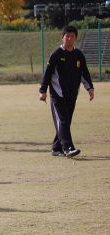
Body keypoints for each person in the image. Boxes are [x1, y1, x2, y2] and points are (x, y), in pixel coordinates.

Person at [39, 25, 94, 158]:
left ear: (76, 38)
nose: (69, 38)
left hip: (72, 94)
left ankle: (56, 147)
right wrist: (43, 91)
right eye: (67, 36)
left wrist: (90, 88)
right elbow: (47, 74)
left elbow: (84, 73)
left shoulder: (79, 55)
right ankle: (68, 148)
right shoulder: (56, 54)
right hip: (57, 94)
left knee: (66, 121)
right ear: (62, 37)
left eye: (72, 36)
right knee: (63, 120)